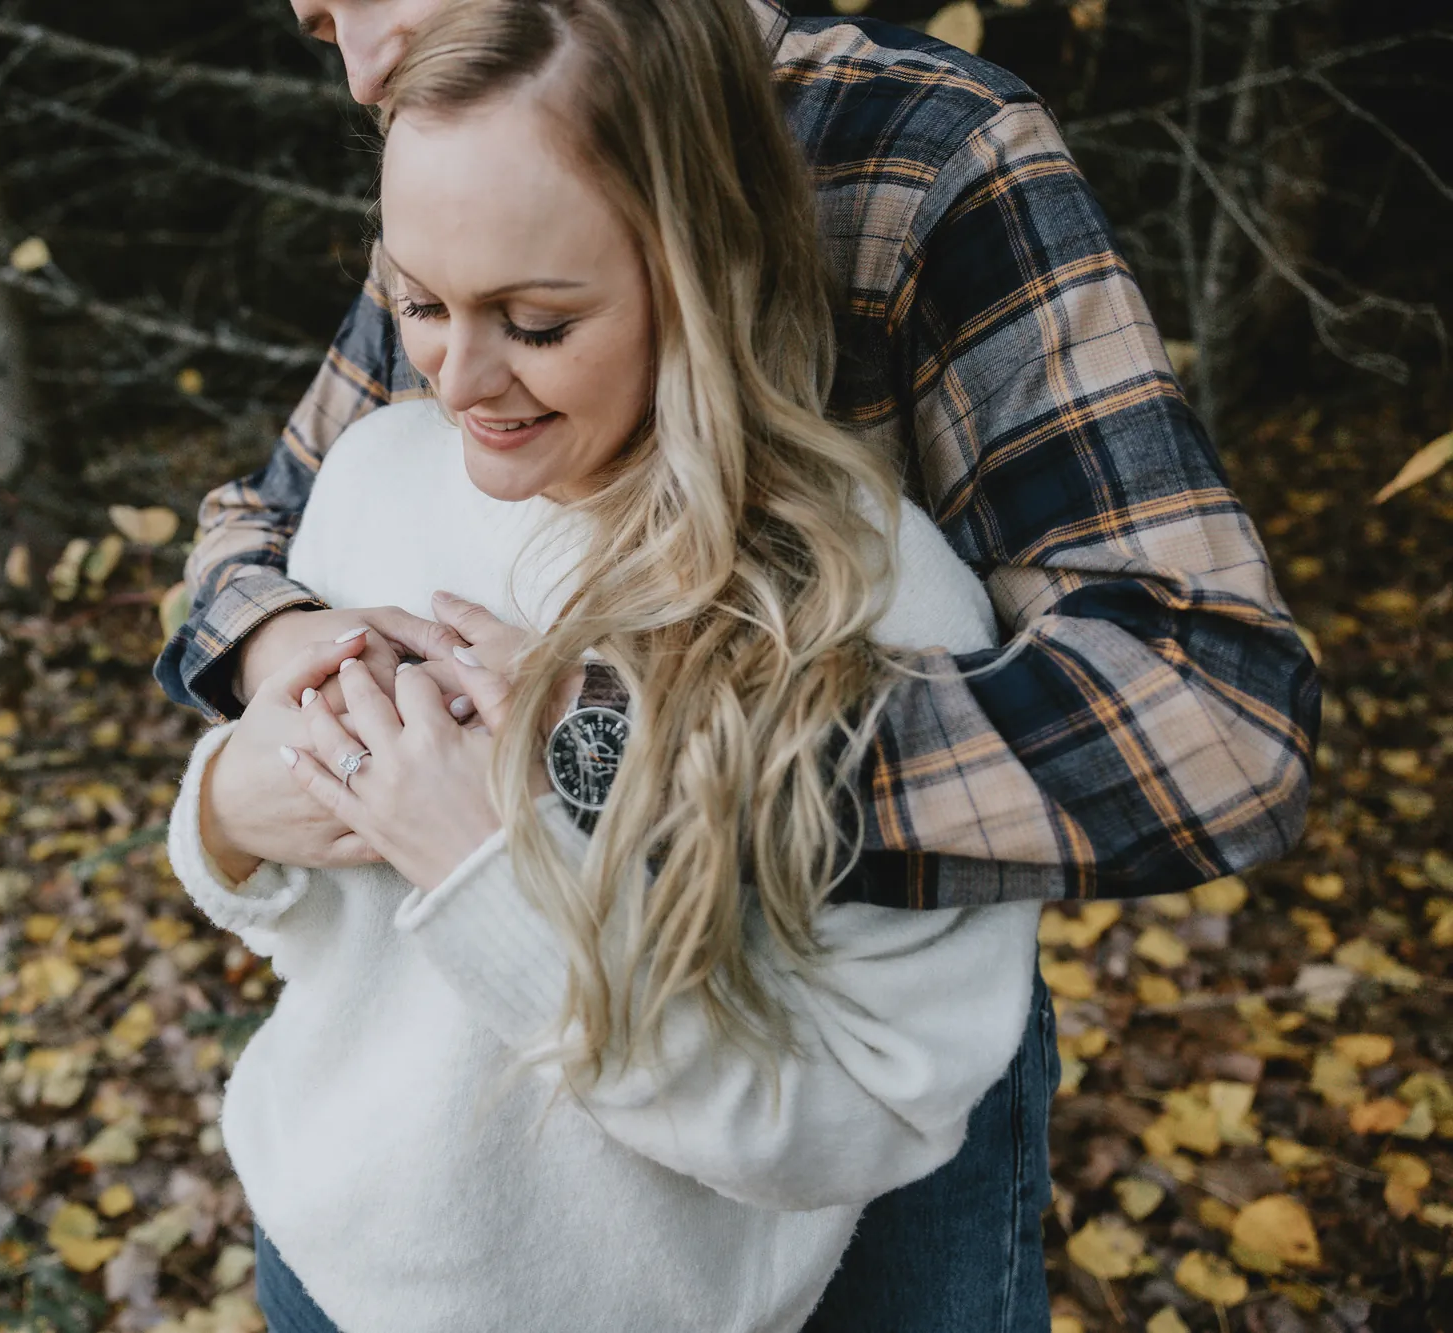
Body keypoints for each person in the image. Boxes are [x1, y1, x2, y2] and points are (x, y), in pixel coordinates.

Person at [153, 0, 1318, 1328]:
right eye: (418, 299)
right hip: (378, 1216)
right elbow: (286, 528)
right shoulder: (474, 162)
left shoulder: (933, 150)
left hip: (805, 1103)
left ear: (696, 265)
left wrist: (625, 742)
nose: (351, 56)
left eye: (534, 319)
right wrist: (261, 738)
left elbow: (1214, 722)